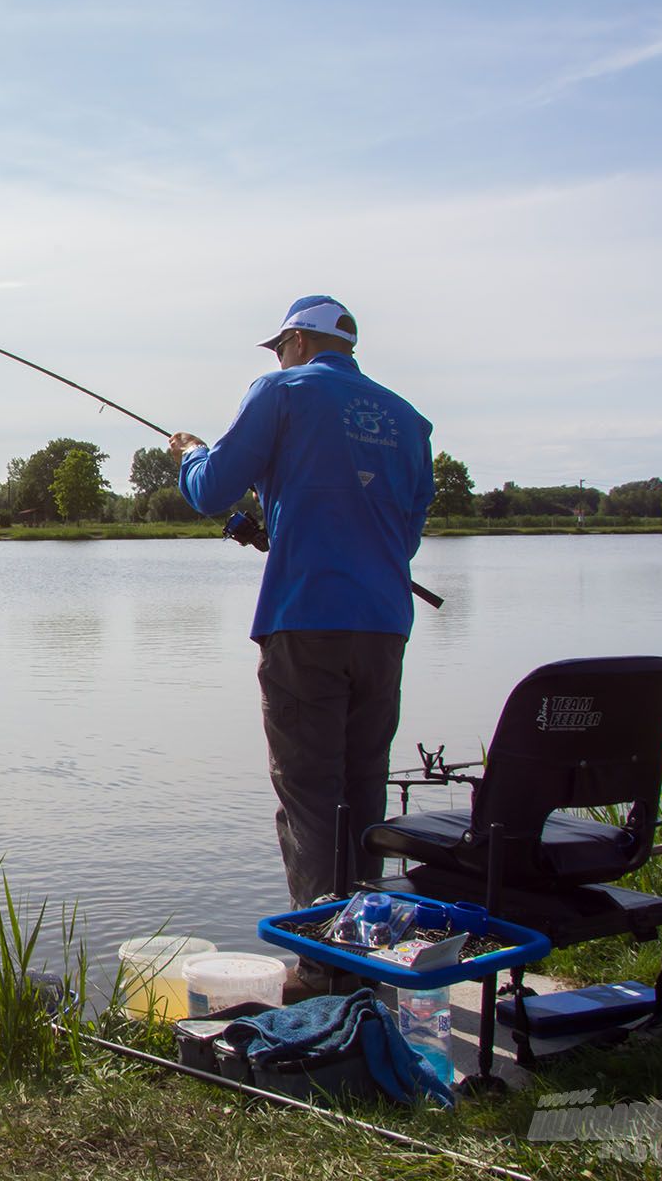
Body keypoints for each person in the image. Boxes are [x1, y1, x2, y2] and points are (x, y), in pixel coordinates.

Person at [167, 295, 434, 931]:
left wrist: (190, 454)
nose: (279, 358)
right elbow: (409, 531)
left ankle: (322, 965)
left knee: (310, 793)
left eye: (280, 347)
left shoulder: (280, 391)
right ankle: (365, 942)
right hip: (384, 626)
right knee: (364, 789)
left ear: (298, 341)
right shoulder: (409, 420)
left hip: (304, 620)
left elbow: (210, 490)